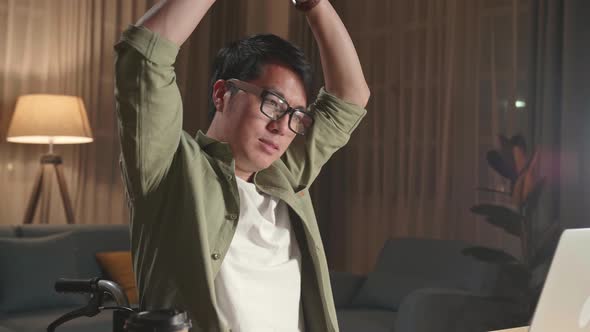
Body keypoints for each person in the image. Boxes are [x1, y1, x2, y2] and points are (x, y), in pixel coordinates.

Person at [114, 0, 369, 331]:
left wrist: (314, 4)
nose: (282, 126)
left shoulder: (285, 173)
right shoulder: (170, 171)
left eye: (296, 116)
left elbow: (350, 98)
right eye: (273, 103)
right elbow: (143, 57)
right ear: (222, 95)